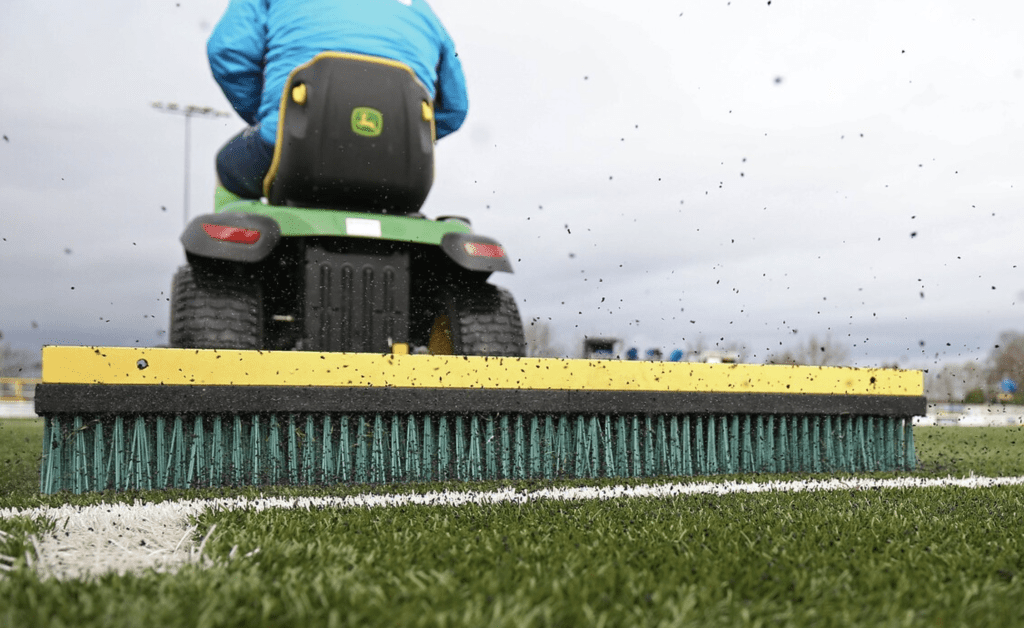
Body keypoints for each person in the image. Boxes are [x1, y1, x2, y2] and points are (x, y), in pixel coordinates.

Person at [207, 0, 469, 199]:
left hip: (289, 152)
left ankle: (224, 267)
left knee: (228, 169)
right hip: (399, 169)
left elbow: (228, 52)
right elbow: (455, 107)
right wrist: (401, 139)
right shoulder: (421, 10)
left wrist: (280, 118)